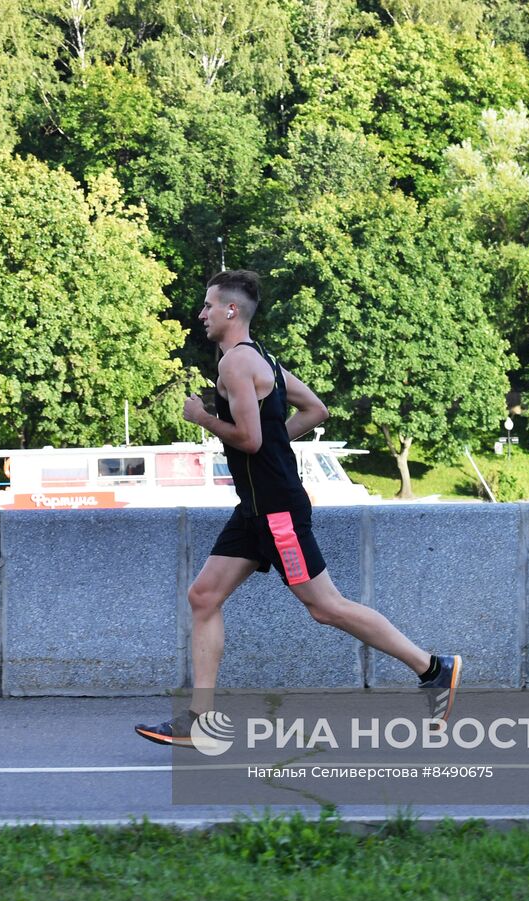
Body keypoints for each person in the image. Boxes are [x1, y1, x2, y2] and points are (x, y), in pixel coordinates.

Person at [135, 271, 461, 748]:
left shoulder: (235, 365)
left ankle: (433, 669)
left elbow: (248, 438)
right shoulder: (262, 358)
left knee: (326, 608)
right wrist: (272, 449)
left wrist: (204, 418)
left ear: (231, 311)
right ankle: (197, 723)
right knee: (203, 596)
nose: (201, 314)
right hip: (256, 506)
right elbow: (315, 410)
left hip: (277, 510)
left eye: (208, 306)